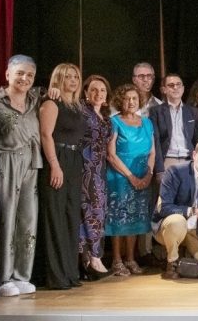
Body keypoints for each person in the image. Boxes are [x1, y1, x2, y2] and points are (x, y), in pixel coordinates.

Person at [0, 55, 40, 296]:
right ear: (7, 74)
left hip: (30, 163)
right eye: (20, 73)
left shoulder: (36, 100)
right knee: (5, 218)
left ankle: (21, 274)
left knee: (28, 219)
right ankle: (3, 276)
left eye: (29, 74)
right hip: (3, 162)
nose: (24, 78)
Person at [37, 63, 86, 290]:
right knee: (55, 216)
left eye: (76, 76)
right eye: (68, 77)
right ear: (58, 79)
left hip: (75, 160)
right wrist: (55, 165)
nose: (73, 80)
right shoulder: (51, 102)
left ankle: (69, 273)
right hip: (57, 158)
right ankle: (56, 275)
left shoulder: (76, 105)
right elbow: (46, 135)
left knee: (70, 217)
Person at [105, 83, 156, 276]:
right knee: (119, 218)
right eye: (127, 98)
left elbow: (152, 151)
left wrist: (148, 175)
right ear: (120, 101)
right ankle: (117, 260)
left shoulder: (147, 122)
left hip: (143, 175)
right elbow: (111, 155)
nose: (131, 102)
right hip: (120, 175)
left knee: (136, 217)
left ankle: (131, 258)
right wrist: (131, 177)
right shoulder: (114, 122)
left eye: (134, 98)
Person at [156, 140, 198, 279]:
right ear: (194, 155)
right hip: (171, 227)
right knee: (178, 221)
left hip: (195, 230)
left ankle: (185, 263)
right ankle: (172, 262)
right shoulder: (175, 172)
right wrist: (194, 210)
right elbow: (164, 208)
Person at [79, 74, 112, 280]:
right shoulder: (82, 112)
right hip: (84, 169)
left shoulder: (106, 118)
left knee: (98, 212)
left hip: (100, 171)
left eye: (102, 90)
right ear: (85, 93)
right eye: (93, 89)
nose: (98, 93)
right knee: (87, 212)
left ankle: (92, 257)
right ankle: (90, 259)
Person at [150, 73, 198, 175]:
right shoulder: (156, 111)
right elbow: (156, 142)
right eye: (171, 85)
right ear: (164, 89)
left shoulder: (193, 111)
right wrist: (159, 169)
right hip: (168, 161)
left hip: (190, 161)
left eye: (178, 84)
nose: (175, 87)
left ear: (183, 88)